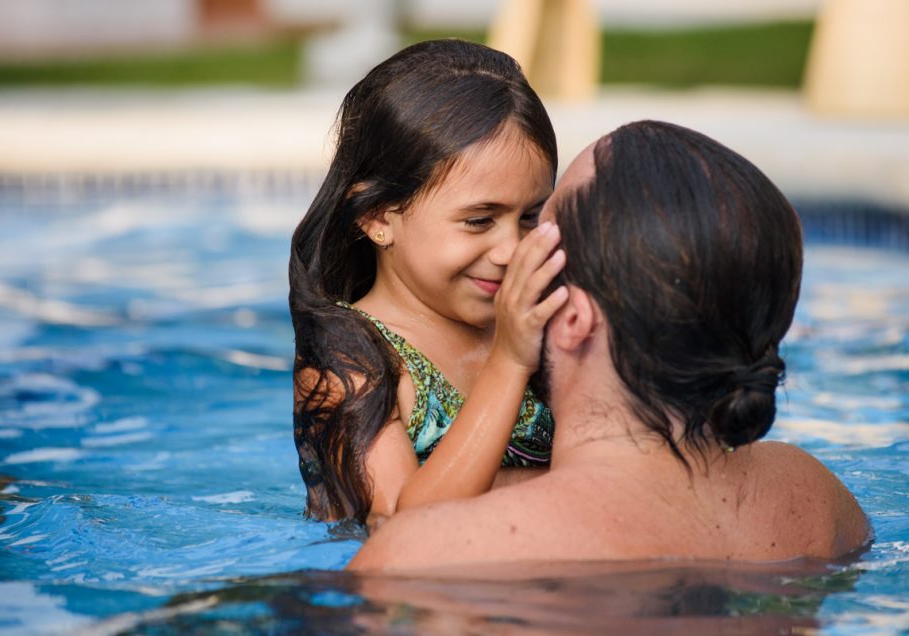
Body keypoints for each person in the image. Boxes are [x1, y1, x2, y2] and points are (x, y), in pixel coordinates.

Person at [348, 120, 872, 570]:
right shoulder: (824, 503)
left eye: (537, 229)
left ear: (573, 316)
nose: (510, 256)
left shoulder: (433, 552)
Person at [289, 39, 568, 526]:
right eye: (480, 221)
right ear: (378, 216)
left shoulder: (545, 318)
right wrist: (509, 360)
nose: (512, 251)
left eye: (529, 216)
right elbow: (406, 525)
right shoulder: (348, 360)